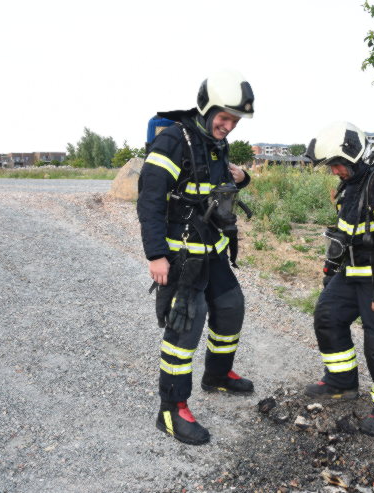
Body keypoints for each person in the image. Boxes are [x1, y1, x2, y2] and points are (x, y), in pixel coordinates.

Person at [137, 69, 255, 445]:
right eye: (224, 117)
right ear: (206, 109)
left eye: (235, 121)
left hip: (213, 249)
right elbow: (151, 201)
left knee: (231, 306)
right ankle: (171, 411)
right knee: (184, 330)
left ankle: (217, 375)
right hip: (181, 255)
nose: (229, 126)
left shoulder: (214, 141)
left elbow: (217, 185)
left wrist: (242, 178)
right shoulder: (174, 140)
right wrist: (156, 256)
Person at [304, 121, 374, 436]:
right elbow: (345, 231)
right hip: (352, 272)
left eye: (336, 164)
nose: (334, 171)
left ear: (352, 154)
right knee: (327, 315)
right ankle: (341, 382)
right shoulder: (355, 182)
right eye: (331, 166)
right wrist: (331, 269)